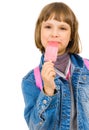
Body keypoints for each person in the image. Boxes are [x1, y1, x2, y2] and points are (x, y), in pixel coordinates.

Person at [21, 2, 89, 130]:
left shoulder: (87, 69)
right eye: (48, 27)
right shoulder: (31, 80)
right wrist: (47, 91)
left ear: (71, 35)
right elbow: (34, 126)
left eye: (62, 28)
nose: (54, 34)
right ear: (39, 31)